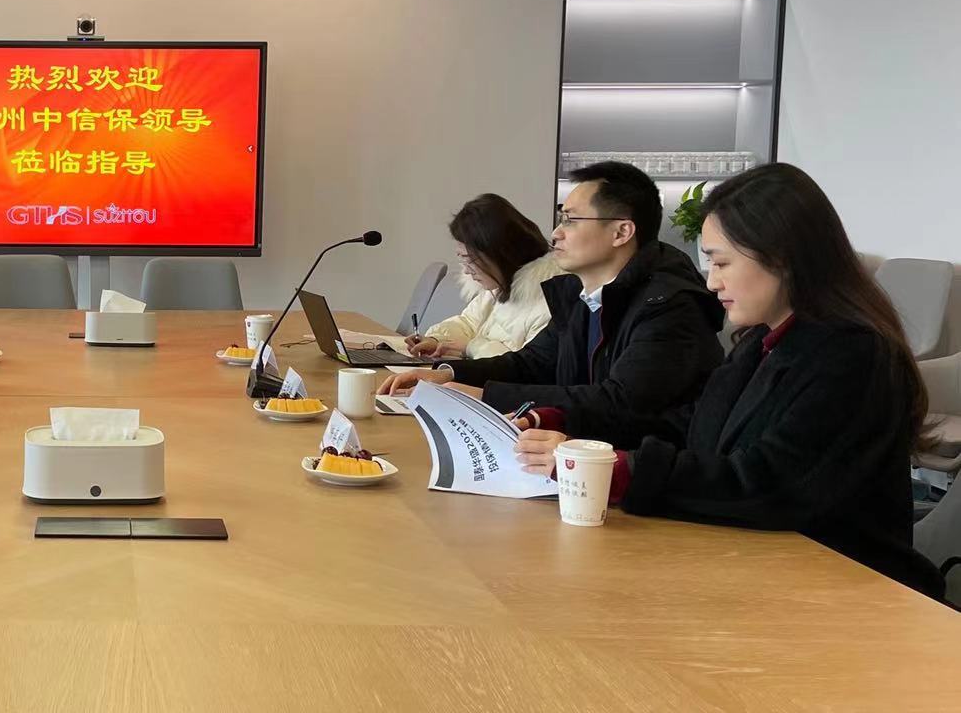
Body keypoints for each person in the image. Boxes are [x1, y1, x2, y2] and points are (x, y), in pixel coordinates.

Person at [512, 164, 944, 598]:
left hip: (846, 589)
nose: (712, 281)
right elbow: (694, 424)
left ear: (782, 258)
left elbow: (768, 483)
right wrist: (573, 428)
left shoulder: (853, 355)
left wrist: (622, 471)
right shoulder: (761, 341)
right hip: (766, 568)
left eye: (721, 263)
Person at [379, 161, 724, 424]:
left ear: (621, 232)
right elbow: (533, 363)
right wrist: (447, 374)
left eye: (571, 220)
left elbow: (619, 402)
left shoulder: (670, 307)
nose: (556, 233)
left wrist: (484, 396)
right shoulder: (581, 293)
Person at [404, 194, 565, 360]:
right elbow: (468, 323)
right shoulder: (499, 286)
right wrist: (437, 340)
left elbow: (522, 366)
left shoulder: (548, 305)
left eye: (469, 259)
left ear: (498, 253)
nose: (467, 271)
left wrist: (471, 347)